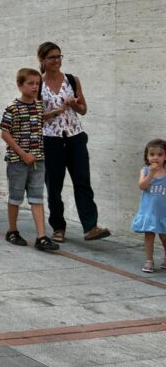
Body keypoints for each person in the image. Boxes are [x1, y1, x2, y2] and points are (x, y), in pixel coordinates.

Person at [37, 42, 110, 242]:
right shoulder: (38, 84)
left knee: (82, 182)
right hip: (51, 139)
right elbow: (32, 115)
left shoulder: (71, 79)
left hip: (75, 137)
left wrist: (75, 104)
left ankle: (90, 227)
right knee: (54, 186)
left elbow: (83, 109)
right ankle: (58, 227)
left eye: (59, 56)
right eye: (52, 57)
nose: (57, 60)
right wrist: (51, 113)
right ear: (42, 60)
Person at [0, 68, 59, 251]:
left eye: (37, 84)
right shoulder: (12, 107)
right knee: (15, 197)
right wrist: (23, 154)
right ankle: (12, 231)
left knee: (37, 197)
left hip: (38, 160)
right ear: (20, 85)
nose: (35, 87)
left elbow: (38, 120)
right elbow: (5, 133)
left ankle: (41, 236)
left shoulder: (39, 105)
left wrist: (55, 113)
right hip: (18, 161)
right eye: (30, 83)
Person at [133, 139, 166, 273]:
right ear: (147, 156)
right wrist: (151, 173)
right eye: (152, 154)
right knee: (149, 235)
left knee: (164, 236)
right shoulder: (145, 171)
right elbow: (142, 186)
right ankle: (149, 260)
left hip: (163, 212)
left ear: (165, 156)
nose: (155, 157)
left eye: (160, 154)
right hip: (149, 211)